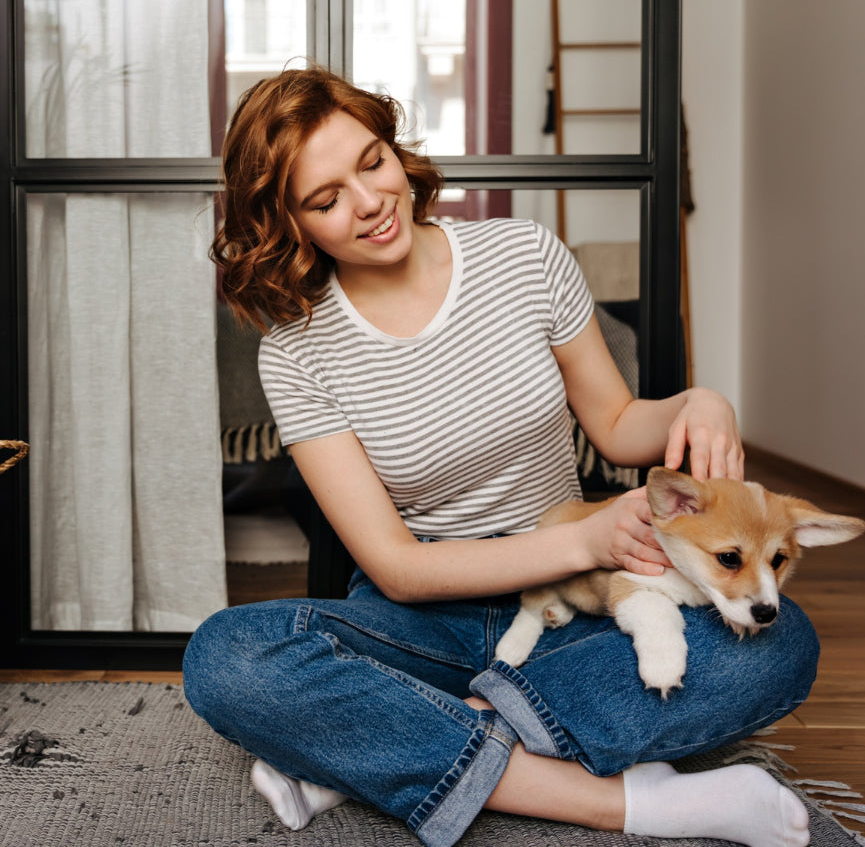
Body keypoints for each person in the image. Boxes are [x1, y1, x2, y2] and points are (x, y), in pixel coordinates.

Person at [184, 65, 817, 847]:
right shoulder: (296, 352)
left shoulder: (525, 256)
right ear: (291, 223)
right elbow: (396, 568)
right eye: (326, 199)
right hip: (425, 620)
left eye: (373, 162)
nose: (371, 202)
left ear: (394, 149)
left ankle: (371, 752)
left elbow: (619, 425)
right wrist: (585, 536)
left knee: (779, 646)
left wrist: (700, 403)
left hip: (575, 603)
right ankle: (631, 802)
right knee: (226, 659)